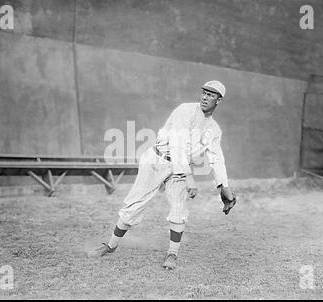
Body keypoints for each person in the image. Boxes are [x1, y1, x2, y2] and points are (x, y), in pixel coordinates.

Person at [89, 80, 235, 270]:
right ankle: (110, 245)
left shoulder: (214, 130)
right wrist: (189, 176)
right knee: (134, 205)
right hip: (156, 160)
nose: (205, 97)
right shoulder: (186, 110)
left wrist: (224, 186)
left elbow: (216, 158)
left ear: (219, 100)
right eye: (204, 93)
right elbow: (178, 143)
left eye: (211, 95)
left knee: (178, 210)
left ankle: (172, 254)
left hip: (179, 169)